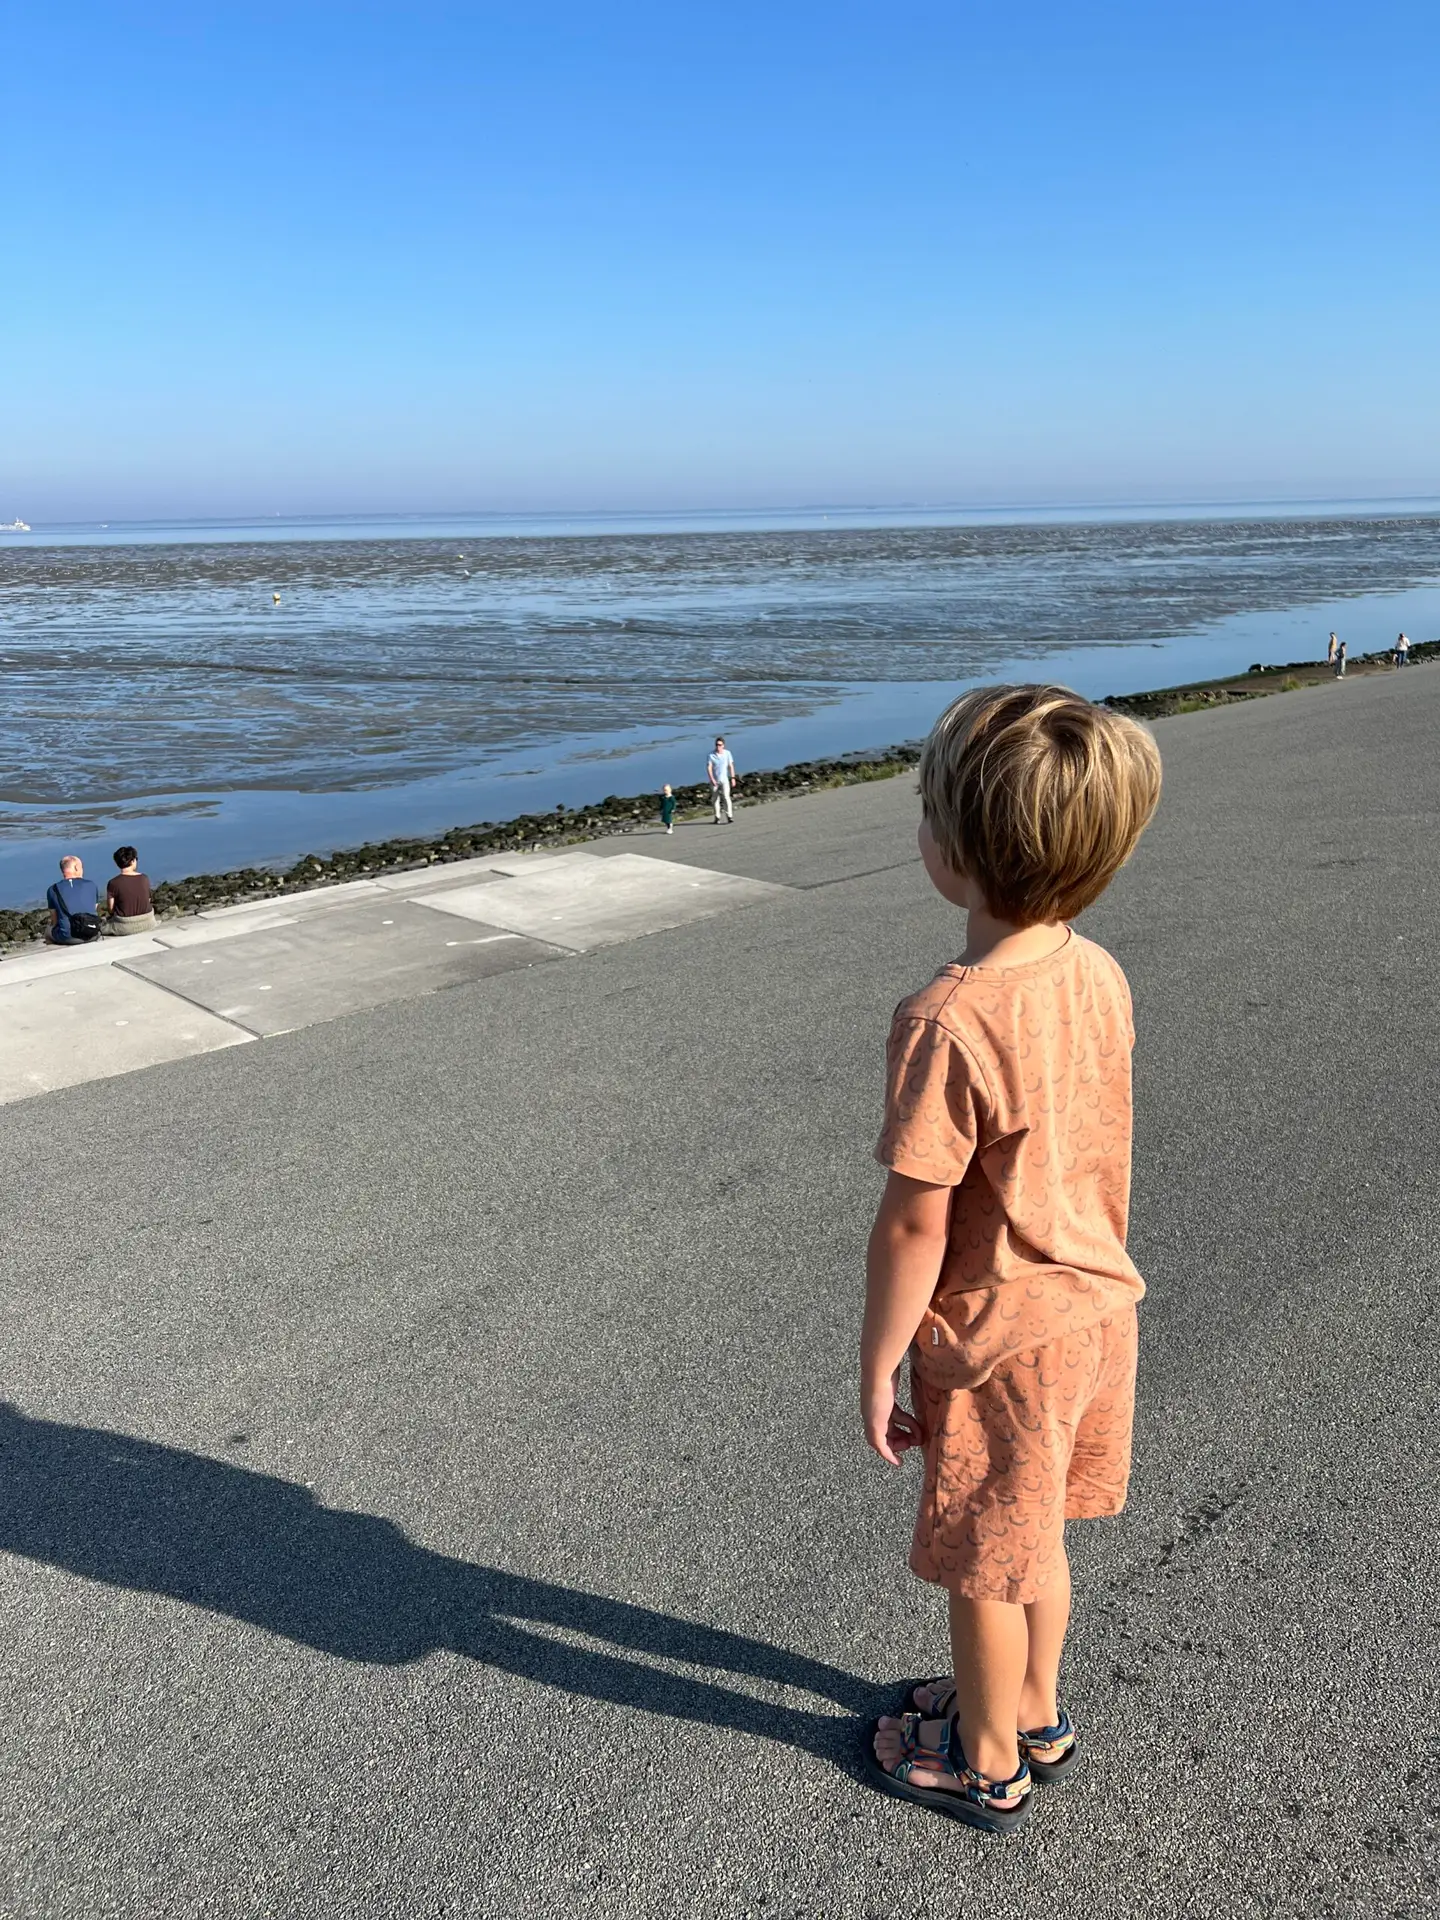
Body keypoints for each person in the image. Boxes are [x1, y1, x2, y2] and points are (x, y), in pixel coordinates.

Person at [861, 683, 1162, 1835]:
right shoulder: (1097, 973)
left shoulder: (949, 1018)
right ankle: (1034, 1708)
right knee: (1034, 1538)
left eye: (927, 810)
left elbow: (914, 1223)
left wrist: (880, 1360)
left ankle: (986, 1761)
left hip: (1002, 1345)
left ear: (961, 853)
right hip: (1097, 1311)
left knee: (984, 1564)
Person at [45, 855, 102, 944]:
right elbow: (93, 910)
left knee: (48, 929)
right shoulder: (91, 885)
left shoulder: (53, 889)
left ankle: (52, 948)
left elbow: (54, 920)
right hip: (92, 933)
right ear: (76, 868)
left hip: (67, 937)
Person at [106, 845, 156, 934]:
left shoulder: (113, 883)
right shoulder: (144, 878)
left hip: (124, 926)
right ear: (133, 861)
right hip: (148, 922)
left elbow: (111, 909)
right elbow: (148, 900)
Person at [707, 737, 737, 824]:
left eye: (720, 745)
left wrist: (733, 778)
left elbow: (731, 766)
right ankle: (717, 817)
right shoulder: (711, 755)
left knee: (726, 797)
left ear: (723, 745)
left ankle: (729, 816)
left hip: (724, 780)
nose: (718, 746)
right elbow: (709, 768)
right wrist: (712, 779)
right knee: (715, 799)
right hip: (715, 781)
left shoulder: (727, 753)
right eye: (717, 745)